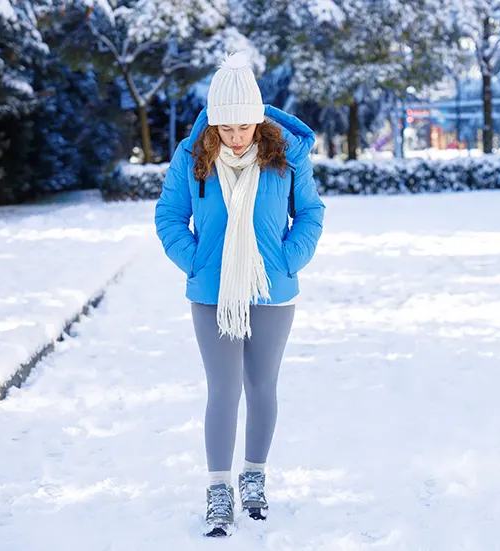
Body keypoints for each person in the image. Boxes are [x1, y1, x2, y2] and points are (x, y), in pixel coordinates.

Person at [154, 52, 325, 537]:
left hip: (273, 289)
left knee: (262, 386)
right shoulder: (192, 158)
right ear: (213, 122)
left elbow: (311, 213)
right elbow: (169, 216)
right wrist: (195, 262)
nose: (235, 136)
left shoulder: (286, 156)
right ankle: (218, 488)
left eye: (244, 126)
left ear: (258, 119)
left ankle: (254, 476)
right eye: (225, 127)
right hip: (212, 292)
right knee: (224, 389)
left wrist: (288, 260)